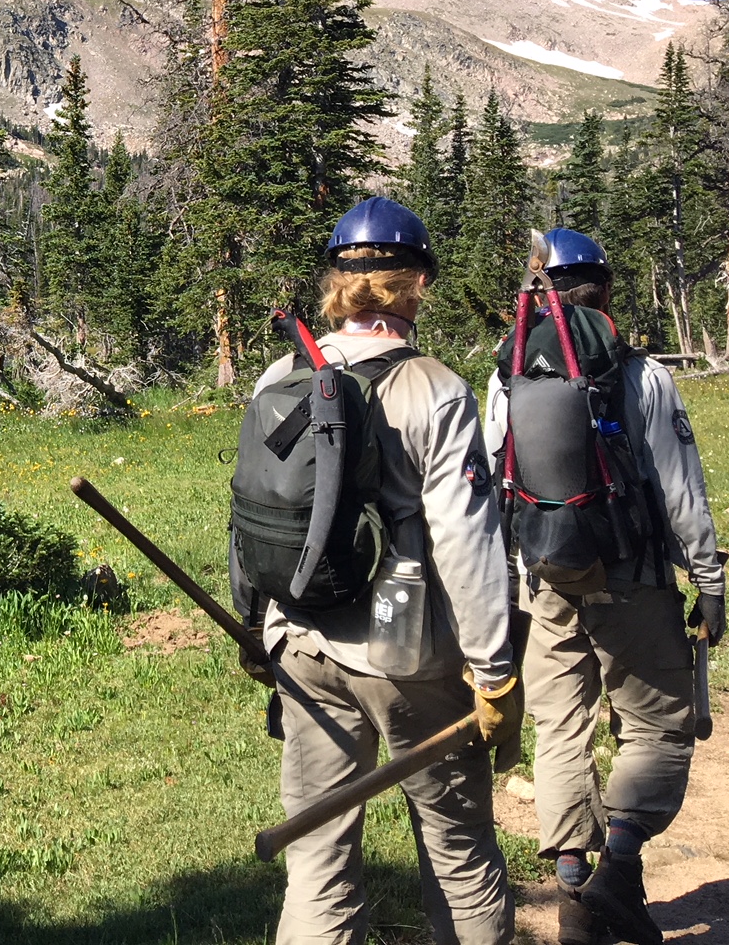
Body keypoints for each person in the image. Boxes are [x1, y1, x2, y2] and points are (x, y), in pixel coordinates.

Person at [255, 197, 520, 945]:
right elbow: (467, 542)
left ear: (337, 283)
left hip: (300, 642)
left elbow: (255, 513)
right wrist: (493, 671)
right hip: (406, 659)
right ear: (416, 286)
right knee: (459, 853)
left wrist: (257, 625)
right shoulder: (434, 388)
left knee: (316, 855)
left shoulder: (282, 374)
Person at [485, 229, 723, 945]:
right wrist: (707, 578)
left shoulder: (508, 377)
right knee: (656, 724)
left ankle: (571, 895)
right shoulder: (639, 374)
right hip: (630, 572)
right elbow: (680, 487)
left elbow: (496, 481)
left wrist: (504, 586)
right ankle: (617, 873)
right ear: (604, 291)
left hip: (543, 575)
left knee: (560, 727)